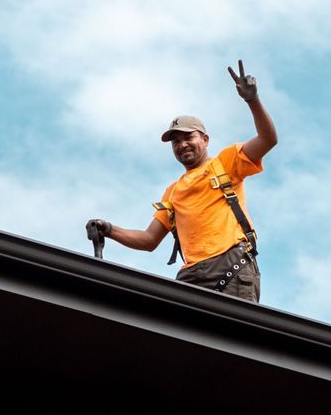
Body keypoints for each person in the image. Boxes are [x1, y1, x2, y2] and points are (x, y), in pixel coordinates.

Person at [86, 61, 278, 302]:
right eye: (175, 141)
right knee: (180, 334)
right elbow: (149, 240)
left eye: (188, 137)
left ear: (205, 139)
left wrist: (253, 100)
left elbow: (268, 139)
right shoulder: (172, 192)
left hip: (231, 263)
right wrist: (110, 229)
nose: (182, 144)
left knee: (231, 333)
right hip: (192, 274)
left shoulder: (226, 163)